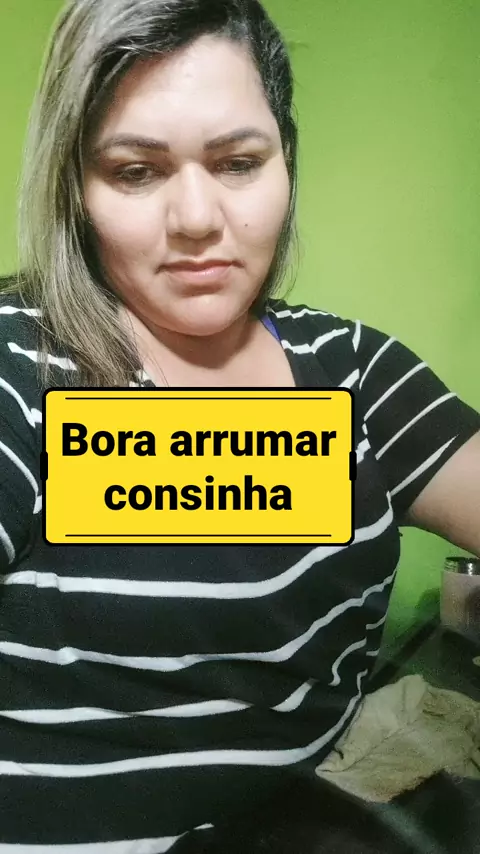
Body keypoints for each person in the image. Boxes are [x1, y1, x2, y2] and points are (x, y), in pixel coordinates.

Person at [0, 0, 479, 851]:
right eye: (136, 171)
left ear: (285, 161)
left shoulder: (352, 366)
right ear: (75, 184)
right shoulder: (21, 363)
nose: (196, 218)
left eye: (238, 162)